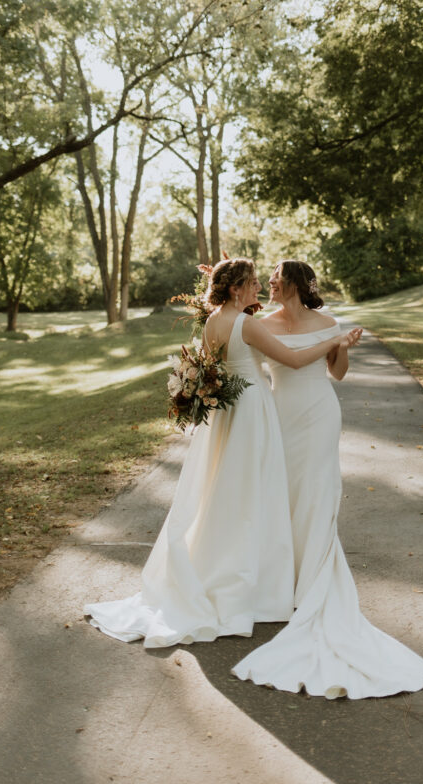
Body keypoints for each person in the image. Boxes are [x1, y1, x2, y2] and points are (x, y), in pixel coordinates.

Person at [84, 258, 353, 648]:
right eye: (254, 283)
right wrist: (333, 341)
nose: (260, 288)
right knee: (255, 492)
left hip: (227, 414)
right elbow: (292, 360)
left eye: (265, 281)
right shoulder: (246, 324)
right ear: (235, 288)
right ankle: (253, 580)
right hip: (254, 410)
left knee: (221, 490)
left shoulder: (213, 322)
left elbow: (213, 369)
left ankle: (219, 567)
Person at [232, 260, 423, 699]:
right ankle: (280, 580)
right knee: (282, 496)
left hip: (320, 414)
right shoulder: (261, 324)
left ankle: (314, 582)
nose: (268, 283)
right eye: (264, 279)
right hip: (280, 416)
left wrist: (343, 345)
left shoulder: (328, 321)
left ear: (295, 284)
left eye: (274, 279)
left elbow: (337, 373)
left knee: (318, 495)